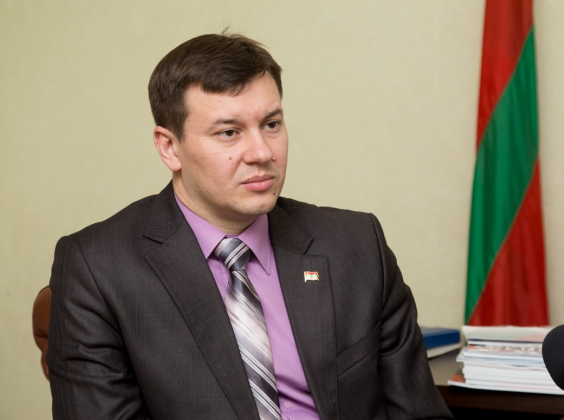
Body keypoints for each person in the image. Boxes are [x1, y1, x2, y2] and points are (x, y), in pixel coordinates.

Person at [47, 33, 453, 420]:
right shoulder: (98, 267)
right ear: (169, 147)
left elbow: (418, 411)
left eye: (271, 124)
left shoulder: (356, 245)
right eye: (229, 132)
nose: (261, 152)